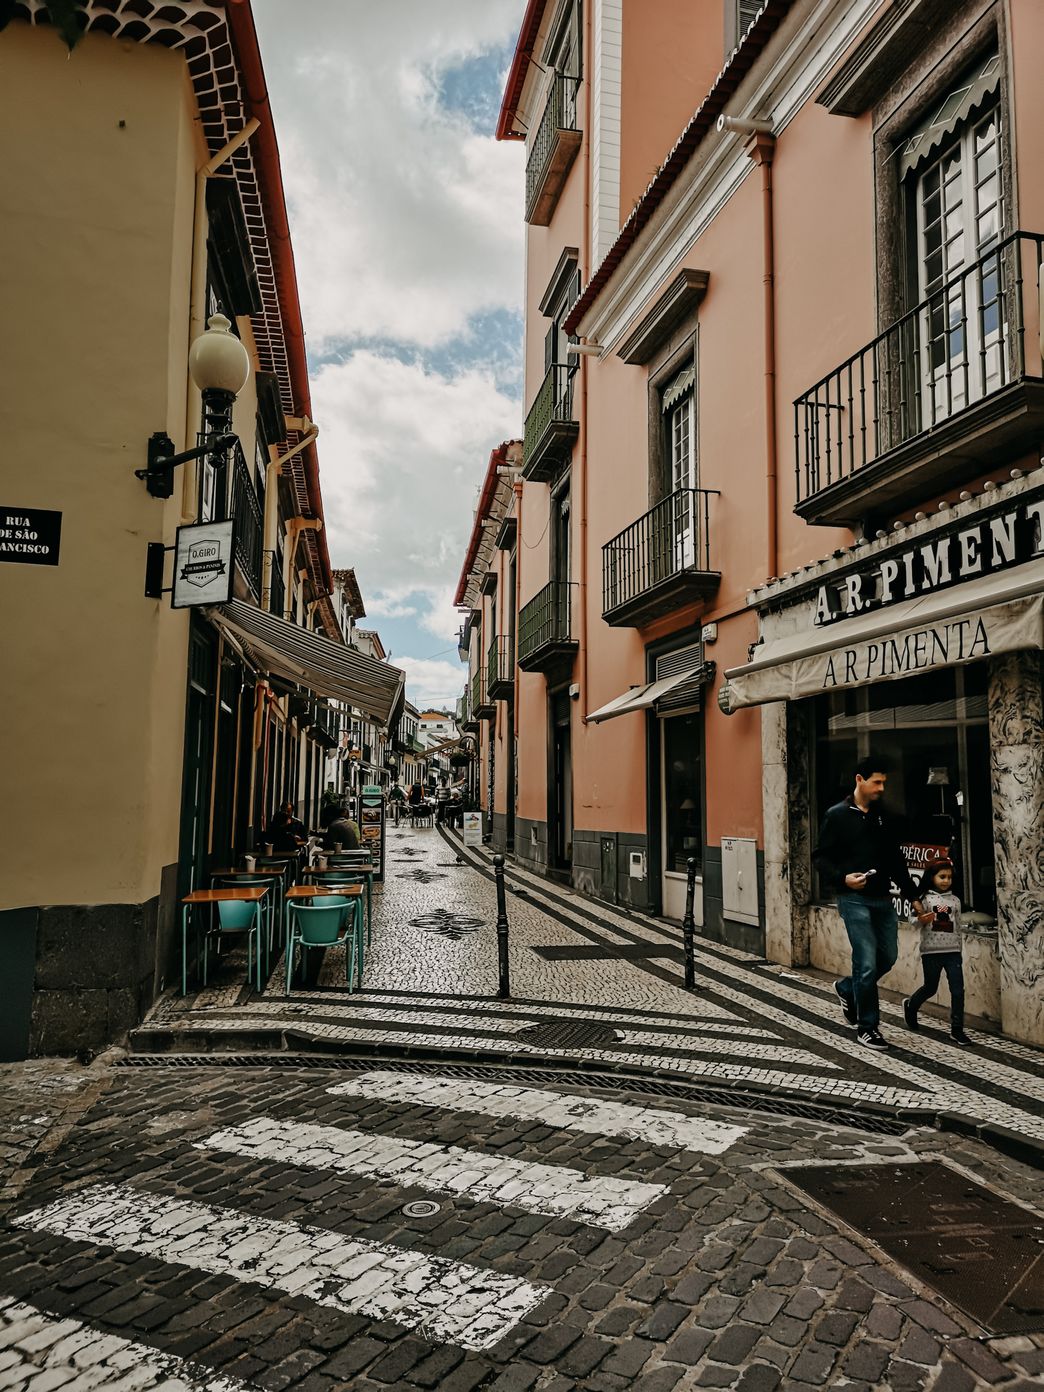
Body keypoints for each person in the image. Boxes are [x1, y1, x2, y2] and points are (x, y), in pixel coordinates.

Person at [813, 755, 930, 1050]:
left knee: (887, 957)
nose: (881, 788)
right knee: (865, 962)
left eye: (883, 783)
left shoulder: (884, 817)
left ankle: (846, 988)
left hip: (883, 899)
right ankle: (868, 1027)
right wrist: (843, 879)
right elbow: (821, 858)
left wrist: (913, 898)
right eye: (876, 782)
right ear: (859, 780)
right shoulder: (837, 815)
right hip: (853, 899)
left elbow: (896, 862)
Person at [903, 858, 970, 1045]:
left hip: (952, 952)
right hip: (931, 952)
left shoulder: (955, 901)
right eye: (942, 876)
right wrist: (921, 919)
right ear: (931, 877)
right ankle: (911, 1005)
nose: (946, 880)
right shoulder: (924, 899)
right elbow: (913, 921)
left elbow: (958, 927)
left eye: (949, 877)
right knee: (930, 987)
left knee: (958, 990)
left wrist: (959, 950)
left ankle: (957, 1029)